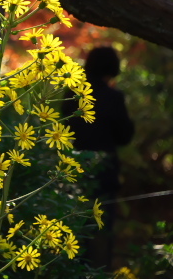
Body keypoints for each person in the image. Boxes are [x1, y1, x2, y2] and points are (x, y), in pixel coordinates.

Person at [63, 46, 134, 270]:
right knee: (102, 237)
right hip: (104, 174)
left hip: (71, 172)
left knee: (73, 236)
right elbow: (125, 136)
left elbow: (63, 129)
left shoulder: (71, 94)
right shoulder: (113, 97)